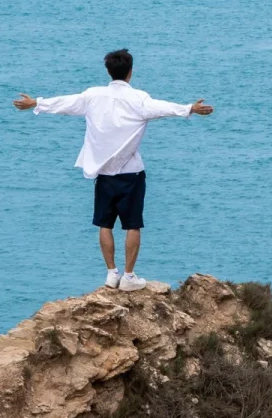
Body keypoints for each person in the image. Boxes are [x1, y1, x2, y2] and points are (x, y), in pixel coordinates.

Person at [13, 48, 213, 291]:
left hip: (103, 172)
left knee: (105, 224)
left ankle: (111, 273)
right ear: (130, 72)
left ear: (109, 71)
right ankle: (128, 276)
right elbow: (163, 108)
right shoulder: (139, 99)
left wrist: (35, 102)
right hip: (132, 173)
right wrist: (190, 108)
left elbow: (65, 103)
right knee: (133, 225)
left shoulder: (92, 96)